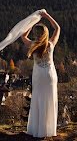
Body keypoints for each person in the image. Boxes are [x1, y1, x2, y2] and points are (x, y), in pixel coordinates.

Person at [21, 9, 60, 138]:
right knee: (50, 99)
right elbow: (57, 28)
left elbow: (23, 36)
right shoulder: (50, 45)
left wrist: (32, 22)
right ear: (45, 34)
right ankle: (48, 130)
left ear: (37, 35)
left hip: (38, 76)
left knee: (38, 99)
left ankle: (37, 129)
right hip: (50, 75)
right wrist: (47, 16)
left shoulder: (33, 45)